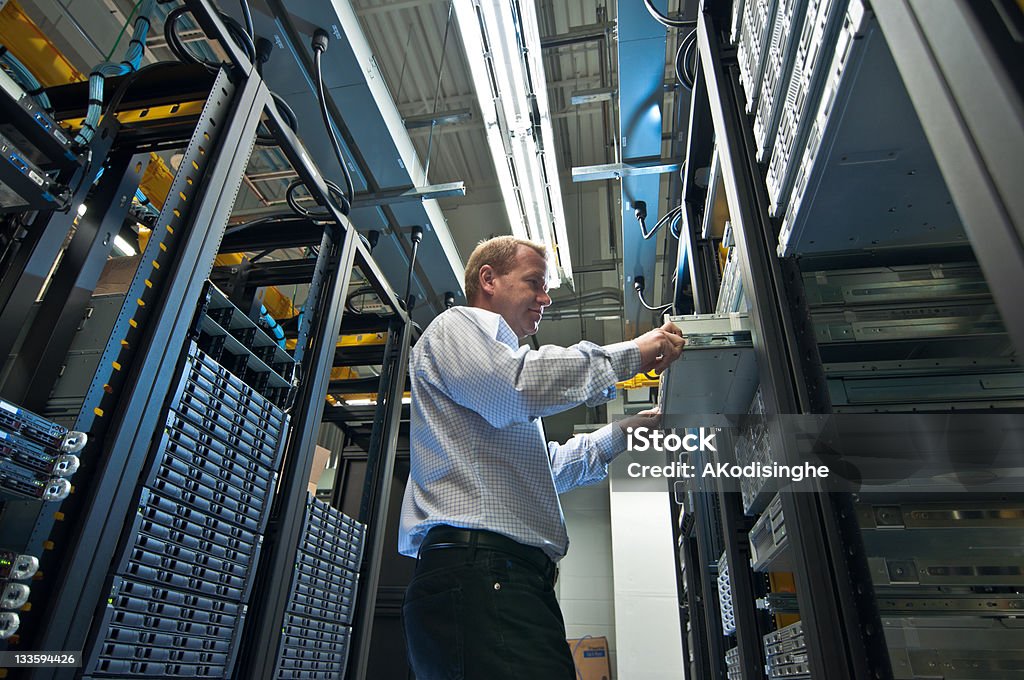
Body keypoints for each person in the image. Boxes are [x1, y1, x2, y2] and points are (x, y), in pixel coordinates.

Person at [399, 236, 685, 679]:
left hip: (499, 577)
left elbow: (546, 471)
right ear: (488, 279)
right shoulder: (456, 327)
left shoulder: (495, 371)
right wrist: (635, 353)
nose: (546, 297)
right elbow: (518, 386)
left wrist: (628, 432)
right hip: (481, 576)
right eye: (534, 282)